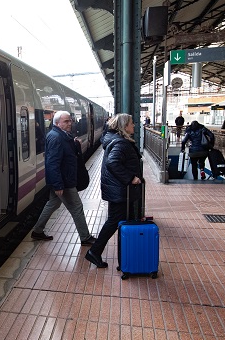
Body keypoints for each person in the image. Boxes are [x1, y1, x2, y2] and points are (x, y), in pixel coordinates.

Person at [85, 113, 142, 268]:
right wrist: (131, 178)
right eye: (132, 123)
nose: (134, 125)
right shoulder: (120, 143)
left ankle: (126, 257)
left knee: (122, 221)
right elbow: (113, 163)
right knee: (114, 222)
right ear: (124, 126)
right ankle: (94, 252)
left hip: (119, 190)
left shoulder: (117, 140)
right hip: (120, 190)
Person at [31, 110, 96, 245]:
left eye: (70, 120)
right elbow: (52, 163)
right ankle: (85, 237)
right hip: (64, 181)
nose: (70, 123)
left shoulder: (61, 135)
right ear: (57, 123)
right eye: (66, 121)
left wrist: (74, 143)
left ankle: (37, 231)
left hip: (64, 178)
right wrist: (58, 184)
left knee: (53, 203)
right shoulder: (56, 137)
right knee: (77, 207)